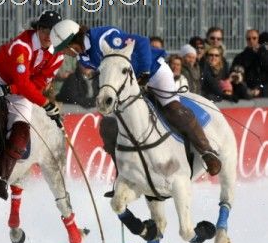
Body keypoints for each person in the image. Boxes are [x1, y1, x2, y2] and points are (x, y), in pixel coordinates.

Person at [50, 20, 222, 194]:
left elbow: (141, 41)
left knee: (173, 109)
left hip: (153, 72)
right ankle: (123, 176)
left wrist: (145, 72)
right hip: (130, 88)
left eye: (64, 48)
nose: (64, 53)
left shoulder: (103, 38)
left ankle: (207, 152)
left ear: (73, 41)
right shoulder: (84, 58)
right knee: (109, 126)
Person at [0, 10, 64, 200]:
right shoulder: (23, 45)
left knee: (22, 129)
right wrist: (45, 103)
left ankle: (0, 179)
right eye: (45, 30)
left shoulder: (58, 57)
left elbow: (37, 84)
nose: (48, 36)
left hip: (18, 92)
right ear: (37, 29)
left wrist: (10, 90)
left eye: (53, 32)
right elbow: (24, 83)